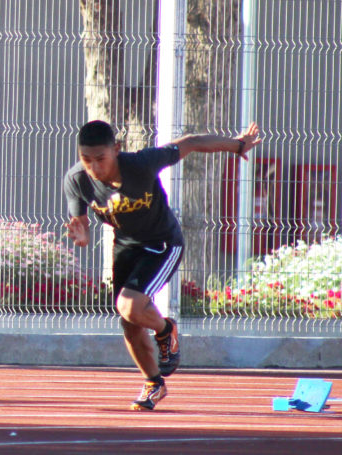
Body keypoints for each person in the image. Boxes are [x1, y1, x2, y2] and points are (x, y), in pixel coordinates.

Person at [63, 120, 261, 410]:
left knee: (129, 305)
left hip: (163, 243)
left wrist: (238, 145)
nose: (94, 167)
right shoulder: (77, 179)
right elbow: (80, 223)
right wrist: (81, 236)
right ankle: (154, 383)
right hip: (127, 246)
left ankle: (166, 329)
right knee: (129, 325)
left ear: (117, 150)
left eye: (100, 159)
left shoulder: (141, 164)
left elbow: (190, 142)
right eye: (86, 159)